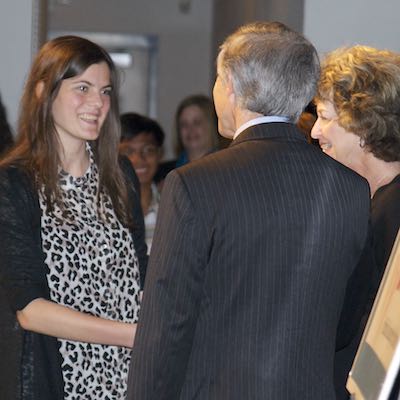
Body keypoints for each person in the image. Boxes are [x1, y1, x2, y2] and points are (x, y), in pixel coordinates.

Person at [127, 21, 371, 400]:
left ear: (232, 87)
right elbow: (345, 320)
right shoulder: (352, 188)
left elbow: (166, 329)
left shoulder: (195, 184)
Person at [0, 35, 147, 400]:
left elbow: (141, 271)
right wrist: (133, 335)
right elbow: (29, 310)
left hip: (128, 378)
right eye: (83, 88)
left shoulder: (120, 173)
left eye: (105, 91)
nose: (97, 103)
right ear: (42, 92)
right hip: (57, 379)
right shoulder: (13, 182)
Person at [311, 45, 400, 399]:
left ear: (363, 124)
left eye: (325, 116)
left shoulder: (390, 211)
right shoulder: (377, 202)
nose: (316, 131)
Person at [119, 112, 164, 253]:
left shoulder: (172, 207)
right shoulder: (104, 209)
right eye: (128, 151)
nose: (138, 159)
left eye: (148, 150)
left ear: (160, 154)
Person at [174, 94, 219, 167]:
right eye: (184, 124)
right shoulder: (168, 173)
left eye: (197, 122)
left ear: (210, 126)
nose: (190, 129)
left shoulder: (226, 167)